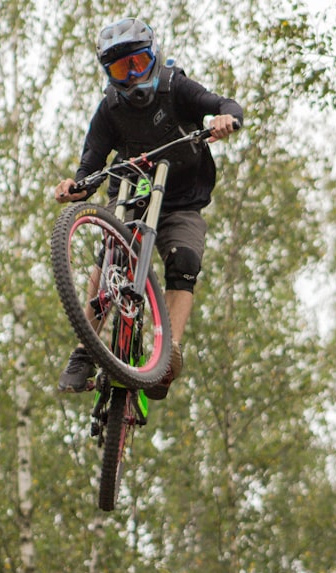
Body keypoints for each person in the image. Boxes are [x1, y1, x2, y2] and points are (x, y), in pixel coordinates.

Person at [53, 16, 243, 400]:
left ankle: (166, 353)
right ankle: (85, 350)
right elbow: (91, 160)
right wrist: (75, 186)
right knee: (110, 254)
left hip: (182, 199)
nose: (134, 75)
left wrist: (225, 118)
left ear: (153, 56)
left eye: (138, 62)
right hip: (131, 192)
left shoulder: (177, 88)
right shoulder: (109, 109)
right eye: (122, 69)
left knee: (185, 260)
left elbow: (222, 103)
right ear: (109, 74)